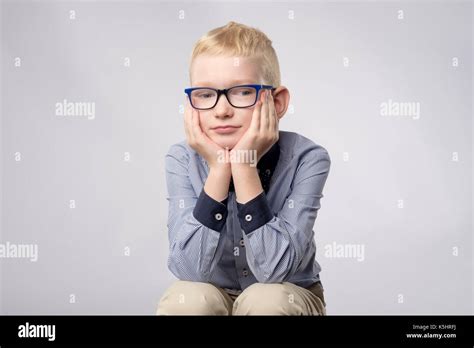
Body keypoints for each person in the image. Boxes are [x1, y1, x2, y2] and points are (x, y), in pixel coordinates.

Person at [156, 21, 331, 315]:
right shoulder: (181, 158)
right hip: (215, 293)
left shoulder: (307, 158)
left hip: (287, 295)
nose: (221, 109)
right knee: (186, 297)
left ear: (276, 103)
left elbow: (275, 271)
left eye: (242, 92)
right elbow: (188, 268)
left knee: (267, 300)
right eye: (205, 94)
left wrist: (244, 166)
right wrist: (220, 169)